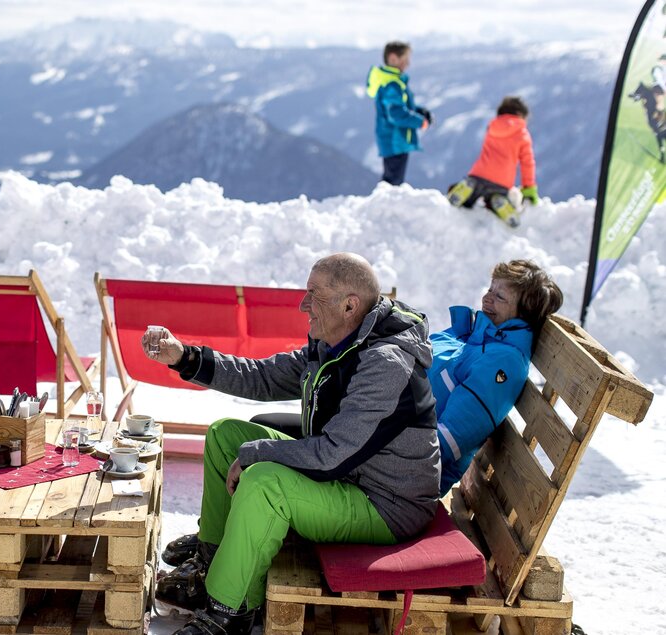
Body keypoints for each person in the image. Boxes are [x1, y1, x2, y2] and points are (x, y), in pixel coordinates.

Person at [144, 253, 440, 635]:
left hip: (384, 503)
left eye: (313, 295)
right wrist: (185, 357)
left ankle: (228, 613)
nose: (303, 305)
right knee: (224, 435)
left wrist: (257, 455)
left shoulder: (384, 364)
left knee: (265, 483)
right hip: (349, 474)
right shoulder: (338, 342)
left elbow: (331, 455)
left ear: (350, 305)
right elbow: (264, 377)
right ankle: (212, 563)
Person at [432, 260, 563, 494]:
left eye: (500, 297)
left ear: (522, 316)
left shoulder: (502, 362)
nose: (487, 298)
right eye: (491, 289)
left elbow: (448, 440)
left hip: (404, 477)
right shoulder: (481, 337)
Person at [446, 97, 537, 228]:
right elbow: (527, 163)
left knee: (468, 201)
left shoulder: (492, 127)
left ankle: (467, 187)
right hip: (502, 182)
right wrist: (529, 188)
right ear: (522, 115)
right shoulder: (522, 133)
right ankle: (499, 202)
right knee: (494, 200)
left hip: (478, 175)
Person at [366, 41, 431, 186]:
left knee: (393, 179)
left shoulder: (392, 81)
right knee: (393, 182)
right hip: (395, 140)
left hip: (394, 139)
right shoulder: (392, 84)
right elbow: (396, 114)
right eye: (405, 59)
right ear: (393, 58)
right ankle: (385, 207)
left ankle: (385, 205)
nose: (408, 64)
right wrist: (420, 122)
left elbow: (400, 106)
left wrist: (419, 112)